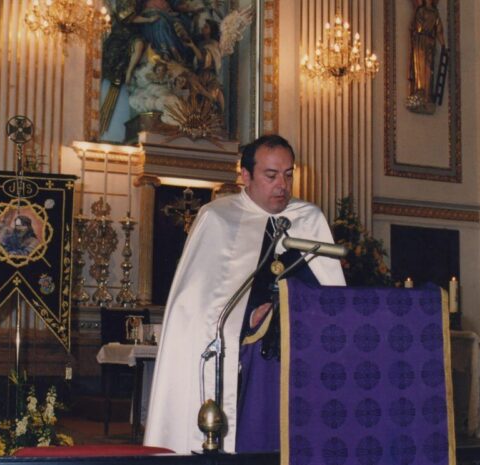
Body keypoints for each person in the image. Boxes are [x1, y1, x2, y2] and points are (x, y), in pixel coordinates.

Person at [143, 135, 345, 453]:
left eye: (288, 174)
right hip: (246, 367)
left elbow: (331, 298)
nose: (282, 185)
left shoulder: (308, 219)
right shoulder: (217, 218)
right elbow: (196, 309)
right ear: (246, 176)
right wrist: (250, 318)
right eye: (271, 175)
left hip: (301, 362)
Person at [407, 0, 445, 114]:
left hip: (429, 43)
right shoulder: (421, 10)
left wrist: (443, 45)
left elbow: (439, 30)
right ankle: (420, 92)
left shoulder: (435, 12)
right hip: (420, 41)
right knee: (420, 67)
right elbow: (417, 26)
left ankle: (427, 95)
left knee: (429, 69)